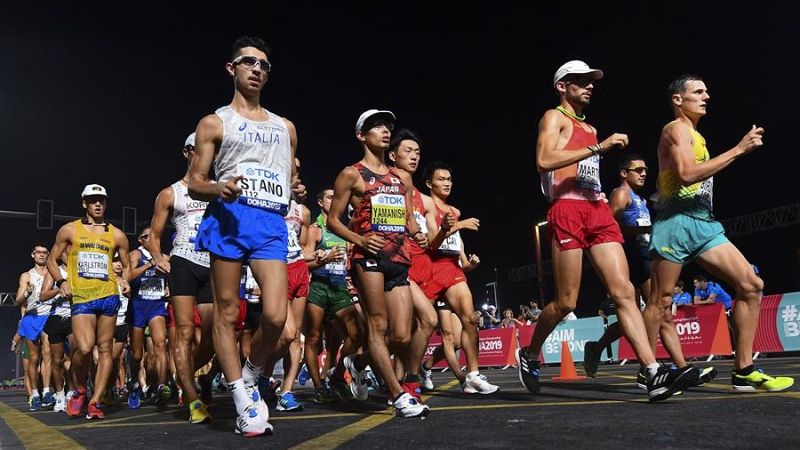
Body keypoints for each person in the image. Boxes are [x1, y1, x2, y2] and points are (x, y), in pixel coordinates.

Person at [517, 60, 696, 402]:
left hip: (596, 208)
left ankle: (651, 370)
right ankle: (530, 353)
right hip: (566, 208)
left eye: (591, 82)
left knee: (625, 292)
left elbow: (586, 169)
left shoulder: (592, 128)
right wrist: (599, 148)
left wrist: (597, 148)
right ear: (562, 86)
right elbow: (543, 161)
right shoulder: (553, 117)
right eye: (581, 81)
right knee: (566, 301)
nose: (589, 86)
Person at [646, 73, 792, 393]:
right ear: (677, 100)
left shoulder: (697, 137)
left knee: (751, 285)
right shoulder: (676, 130)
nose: (706, 96)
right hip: (676, 222)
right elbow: (686, 175)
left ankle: (744, 370)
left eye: (707, 91)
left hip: (704, 223)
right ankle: (650, 370)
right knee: (660, 302)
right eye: (698, 91)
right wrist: (739, 149)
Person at [188, 36, 304, 436]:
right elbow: (194, 182)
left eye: (264, 65)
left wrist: (295, 189)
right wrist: (218, 188)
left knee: (275, 316)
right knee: (227, 313)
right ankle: (241, 398)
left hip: (270, 223)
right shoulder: (214, 122)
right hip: (229, 219)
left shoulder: (284, 127)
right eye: (249, 62)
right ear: (231, 68)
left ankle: (251, 372)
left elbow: (288, 178)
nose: (257, 69)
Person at [326, 108, 429, 418]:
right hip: (368, 257)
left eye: (387, 126)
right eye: (375, 127)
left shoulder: (402, 177)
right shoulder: (351, 174)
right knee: (377, 325)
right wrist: (359, 241)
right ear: (362, 136)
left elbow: (408, 217)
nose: (385, 131)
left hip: (399, 258)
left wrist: (419, 235)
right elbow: (333, 221)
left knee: (401, 335)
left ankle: (355, 363)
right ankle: (398, 396)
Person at [46, 184, 131, 419]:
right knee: (83, 348)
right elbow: (52, 260)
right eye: (92, 200)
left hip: (108, 297)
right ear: (84, 203)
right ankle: (80, 388)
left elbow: (127, 265)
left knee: (105, 350)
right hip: (82, 297)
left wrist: (124, 279)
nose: (97, 204)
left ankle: (95, 402)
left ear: (105, 203)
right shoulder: (69, 230)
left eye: (101, 200)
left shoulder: (116, 234)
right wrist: (61, 281)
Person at [146, 132, 213, 423]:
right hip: (183, 261)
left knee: (214, 335)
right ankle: (193, 398)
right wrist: (159, 258)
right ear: (187, 152)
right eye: (198, 149)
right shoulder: (170, 193)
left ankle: (181, 373)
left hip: (214, 264)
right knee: (184, 332)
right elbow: (155, 235)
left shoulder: (217, 188)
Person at [422, 161, 499, 394]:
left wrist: (470, 264)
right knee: (409, 331)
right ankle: (369, 366)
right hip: (430, 269)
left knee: (471, 319)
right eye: (441, 179)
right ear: (429, 183)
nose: (447, 183)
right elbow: (432, 245)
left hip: (452, 269)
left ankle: (472, 375)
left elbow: (459, 254)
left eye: (449, 179)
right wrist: (460, 225)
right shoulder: (425, 206)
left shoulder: (454, 211)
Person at [385, 128, 439, 398]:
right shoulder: (384, 180)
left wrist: (425, 234)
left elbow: (421, 234)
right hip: (384, 263)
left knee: (426, 320)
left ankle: (410, 378)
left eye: (417, 151)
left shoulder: (418, 194)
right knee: (397, 334)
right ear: (393, 156)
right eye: (408, 151)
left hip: (409, 265)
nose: (414, 156)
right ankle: (361, 366)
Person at [302, 188, 363, 403]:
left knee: (357, 334)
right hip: (318, 288)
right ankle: (319, 387)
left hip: (339, 289)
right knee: (313, 338)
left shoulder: (343, 231)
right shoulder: (315, 230)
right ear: (320, 202)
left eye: (336, 197)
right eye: (329, 197)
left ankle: (337, 375)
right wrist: (323, 260)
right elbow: (303, 263)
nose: (334, 200)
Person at [127, 227, 171, 407]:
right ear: (140, 240)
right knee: (138, 355)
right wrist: (149, 264)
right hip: (138, 306)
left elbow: (173, 278)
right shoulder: (136, 255)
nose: (151, 239)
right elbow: (128, 275)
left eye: (154, 236)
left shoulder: (166, 257)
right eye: (147, 236)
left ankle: (162, 385)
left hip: (156, 306)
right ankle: (135, 384)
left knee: (160, 346)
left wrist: (169, 287)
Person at [15, 244, 55, 411]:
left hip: (49, 316)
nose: (42, 255)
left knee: (48, 354)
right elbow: (18, 300)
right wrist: (27, 292)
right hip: (31, 317)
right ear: (33, 255)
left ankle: (46, 391)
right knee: (33, 358)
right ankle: (34, 394)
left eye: (45, 252)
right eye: (38, 252)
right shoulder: (27, 275)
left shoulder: (53, 272)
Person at [40, 252, 73, 413]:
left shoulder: (80, 271)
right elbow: (42, 295)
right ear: (61, 256)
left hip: (76, 318)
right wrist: (59, 289)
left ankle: (72, 393)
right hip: (57, 318)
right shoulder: (54, 272)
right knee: (57, 360)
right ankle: (59, 394)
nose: (70, 254)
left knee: (78, 357)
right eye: (66, 252)